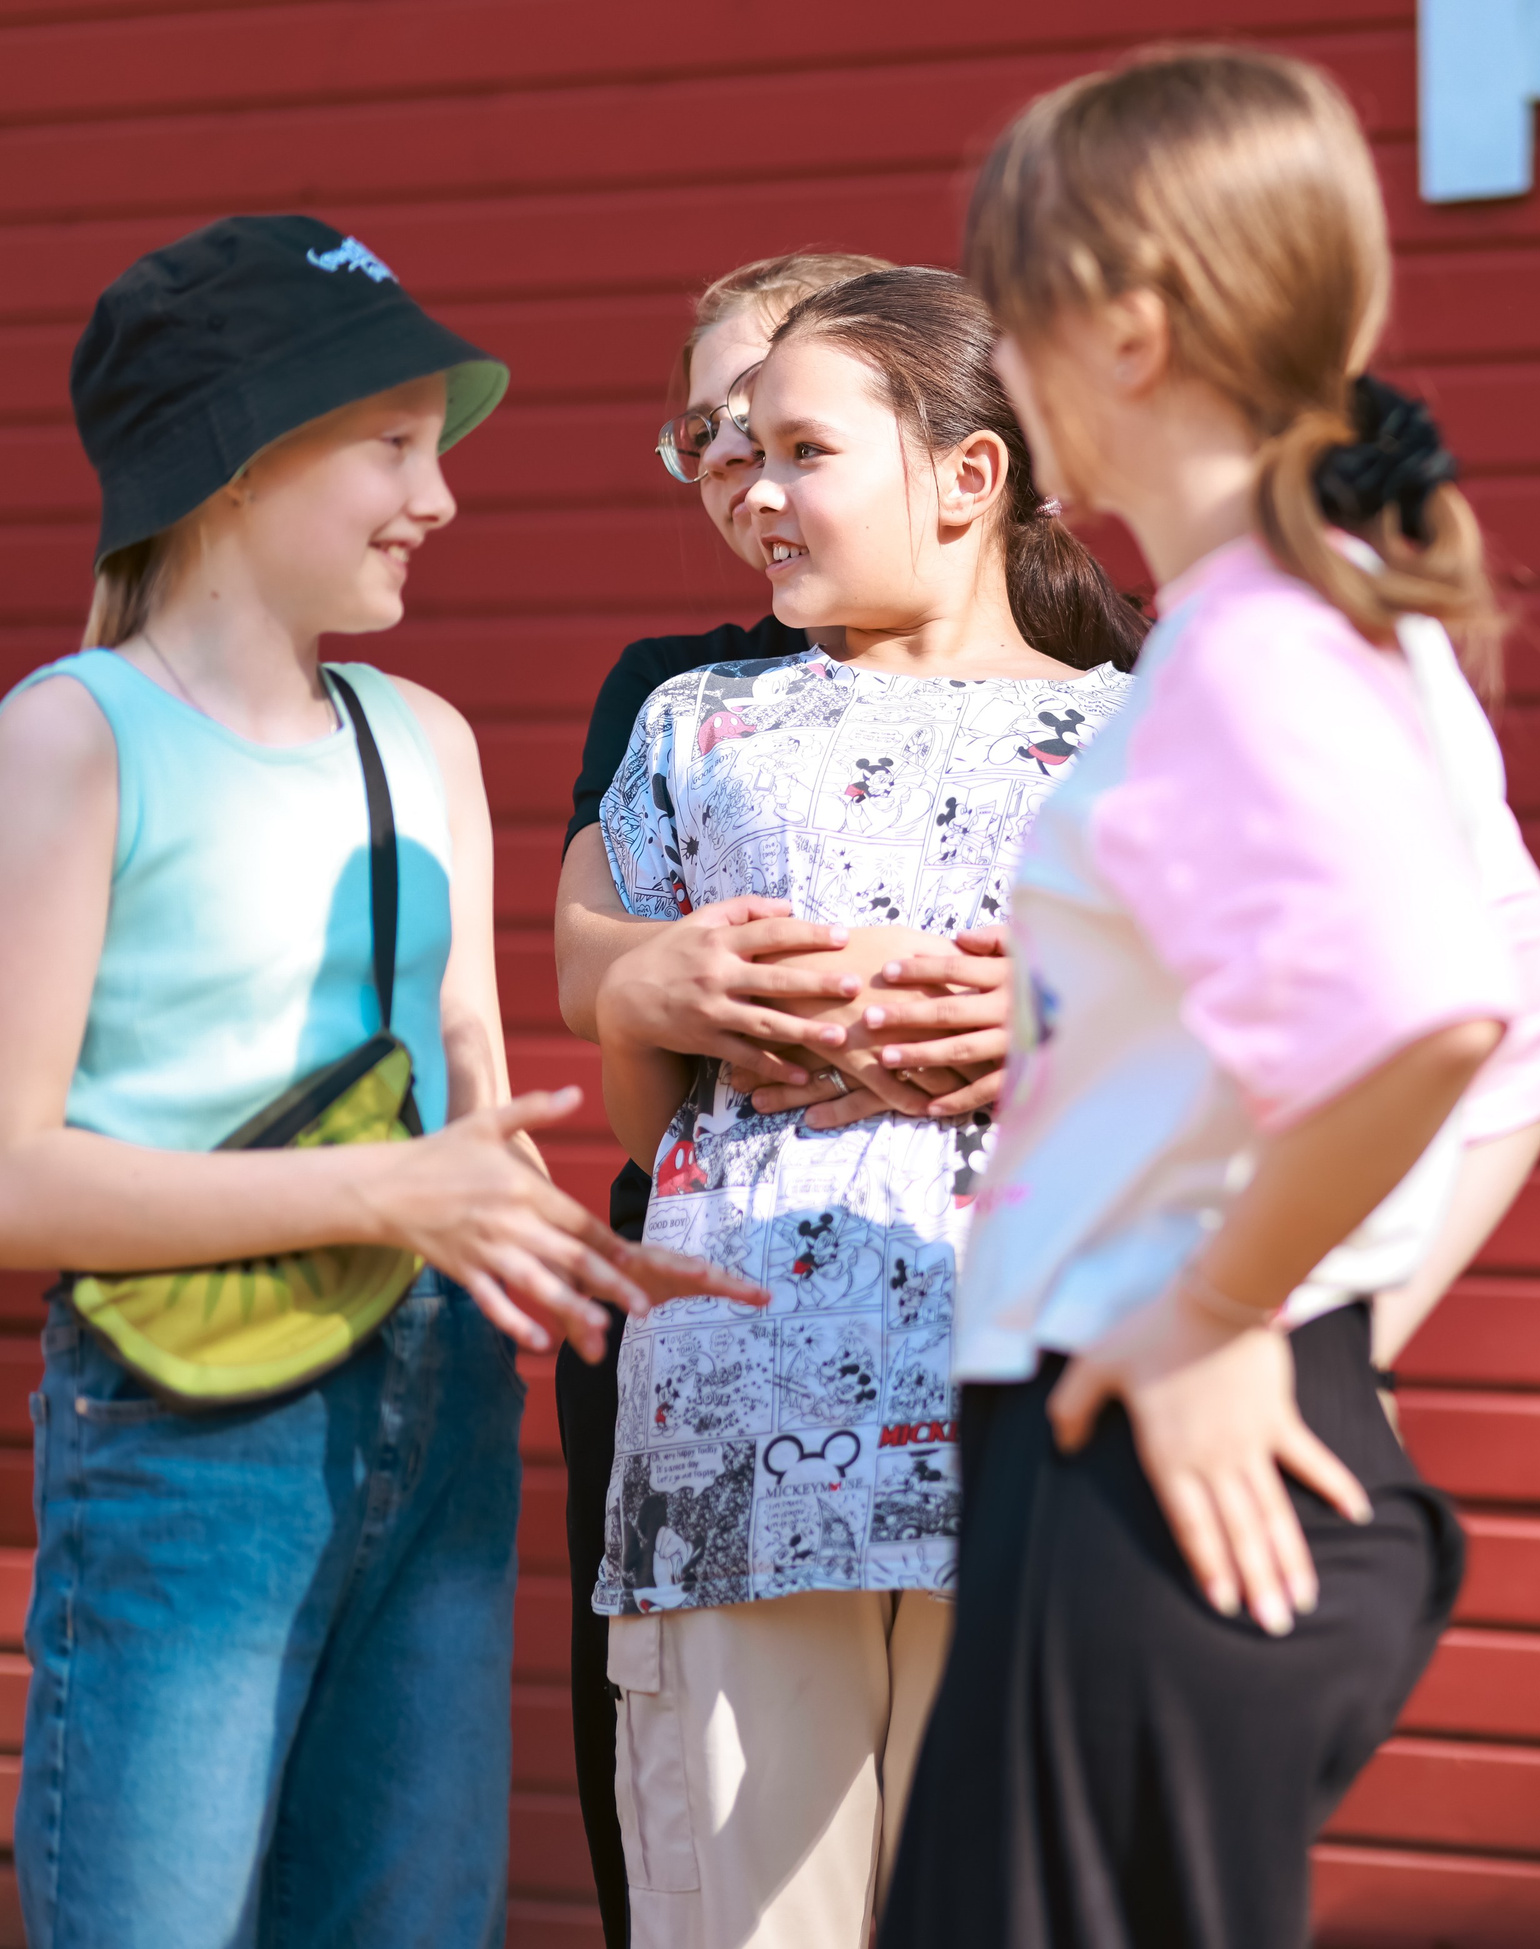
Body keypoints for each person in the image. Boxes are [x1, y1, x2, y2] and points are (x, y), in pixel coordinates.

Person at [881, 47, 1540, 1948]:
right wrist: (1314, 1333)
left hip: (1141, 1474)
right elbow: (1529, 1034)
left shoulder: (1260, 648)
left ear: (1130, 332)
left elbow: (1437, 1017)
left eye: (1013, 308)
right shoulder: (1324, 621)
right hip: (1172, 1441)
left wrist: (1225, 1312)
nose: (1002, 358)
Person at [0, 216, 755, 1949]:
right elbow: (13, 1174)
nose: (441, 496)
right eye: (393, 446)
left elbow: (473, 1111)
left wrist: (579, 1249)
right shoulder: (75, 735)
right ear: (237, 461)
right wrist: (389, 1190)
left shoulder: (426, 739)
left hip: (438, 1411)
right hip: (191, 1429)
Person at [590, 263, 1144, 1949]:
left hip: (1041, 1435)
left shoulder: (1137, 741)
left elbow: (1233, 1067)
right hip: (738, 1443)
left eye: (804, 452)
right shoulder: (698, 722)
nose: (754, 490)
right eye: (738, 450)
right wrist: (663, 998)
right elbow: (642, 1108)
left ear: (968, 476)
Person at [552, 246, 900, 1949]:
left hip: (951, 1317)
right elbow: (587, 954)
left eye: (773, 422)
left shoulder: (1078, 681)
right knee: (705, 1837)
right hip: (694, 1308)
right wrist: (669, 973)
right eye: (703, 433)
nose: (736, 468)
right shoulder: (677, 691)